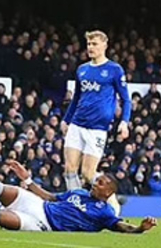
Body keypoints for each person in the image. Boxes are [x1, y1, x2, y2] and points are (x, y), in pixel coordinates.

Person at [0, 160, 158, 235]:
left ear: (109, 192)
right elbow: (50, 197)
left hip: (43, 224)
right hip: (40, 204)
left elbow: (120, 226)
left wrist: (139, 229)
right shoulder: (77, 192)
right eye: (97, 180)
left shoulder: (105, 212)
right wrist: (27, 180)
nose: (96, 183)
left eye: (101, 183)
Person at [63, 31, 130, 204]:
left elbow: (126, 99)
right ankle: (75, 205)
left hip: (97, 129)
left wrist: (124, 122)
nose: (90, 47)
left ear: (104, 45)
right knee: (70, 168)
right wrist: (66, 120)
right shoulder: (82, 70)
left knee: (87, 173)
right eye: (89, 44)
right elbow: (76, 98)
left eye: (94, 44)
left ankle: (112, 201)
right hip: (77, 124)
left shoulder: (114, 70)